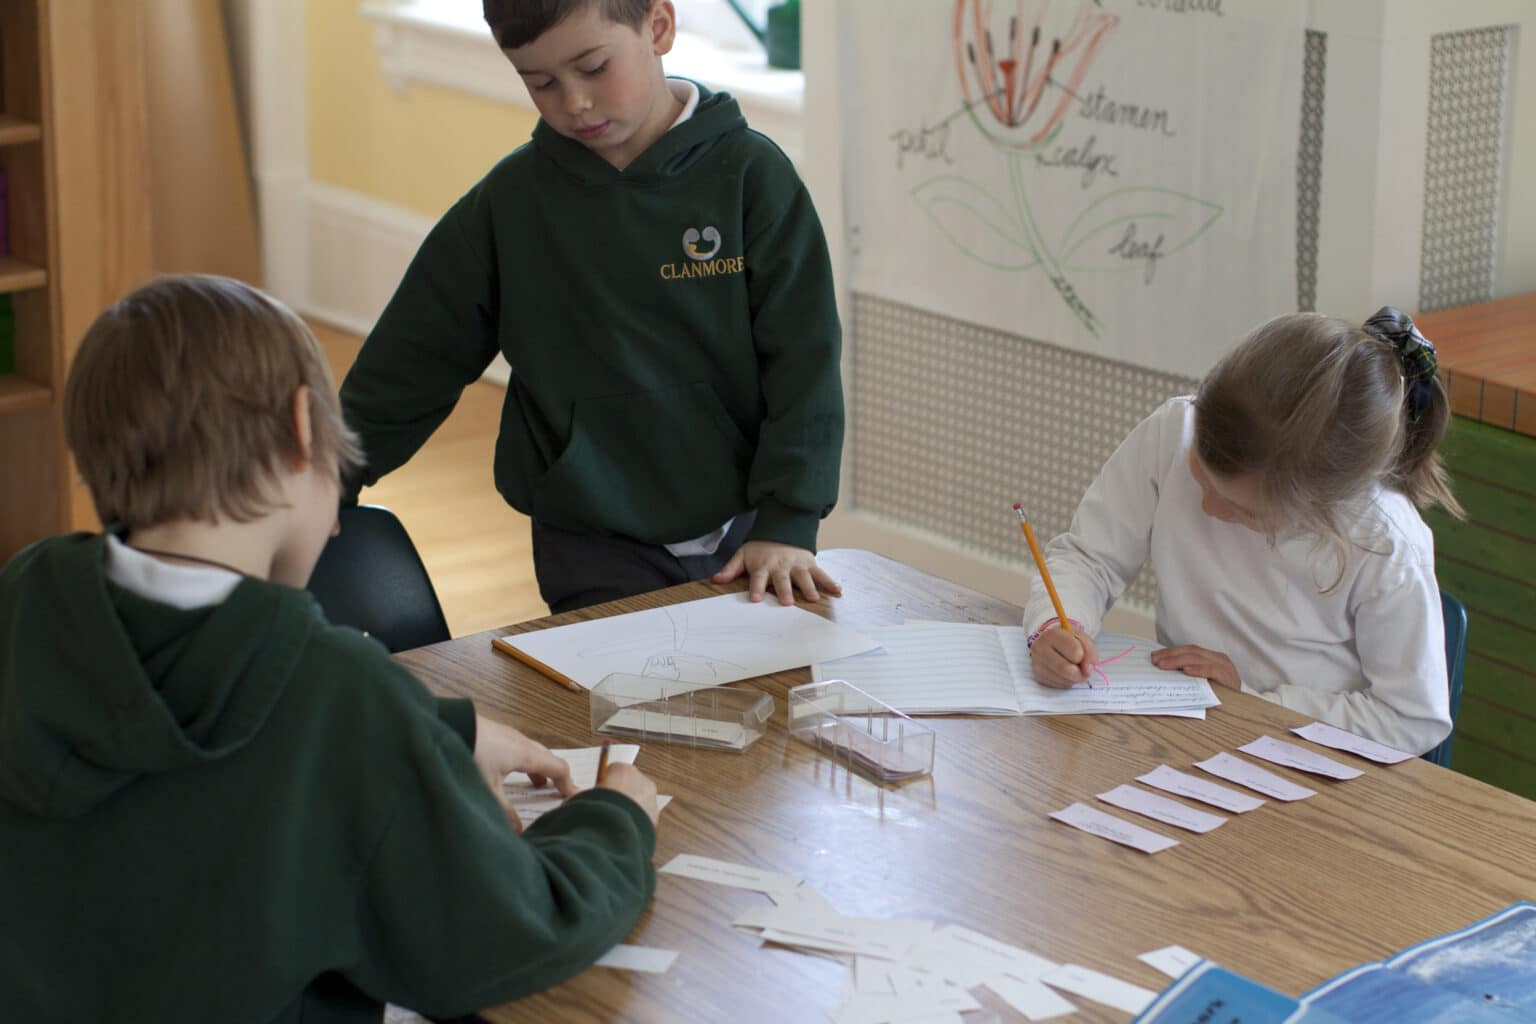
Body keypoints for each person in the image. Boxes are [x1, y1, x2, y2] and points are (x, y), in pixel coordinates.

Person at [0, 275, 661, 1022]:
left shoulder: (28, 600)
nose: (341, 524)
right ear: (302, 431)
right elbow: (509, 935)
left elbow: (198, 697)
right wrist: (615, 820)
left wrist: (439, 733)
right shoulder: (338, 691)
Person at [339, 0, 845, 615]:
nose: (573, 102)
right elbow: (415, 354)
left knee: (755, 701)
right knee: (617, 705)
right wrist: (330, 473)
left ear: (658, 28)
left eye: (594, 67)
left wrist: (789, 517)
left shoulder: (753, 179)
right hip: (589, 532)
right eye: (541, 83)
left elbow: (805, 360)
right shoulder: (510, 203)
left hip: (745, 528)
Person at [1025, 308, 1462, 755]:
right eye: (1199, 476)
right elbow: (1089, 558)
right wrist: (1058, 625)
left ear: (1323, 510)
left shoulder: (1383, 541)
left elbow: (1410, 720)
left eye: (1243, 511)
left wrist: (1254, 700)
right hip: (1187, 740)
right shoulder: (1173, 433)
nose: (1207, 507)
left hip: (1306, 765)